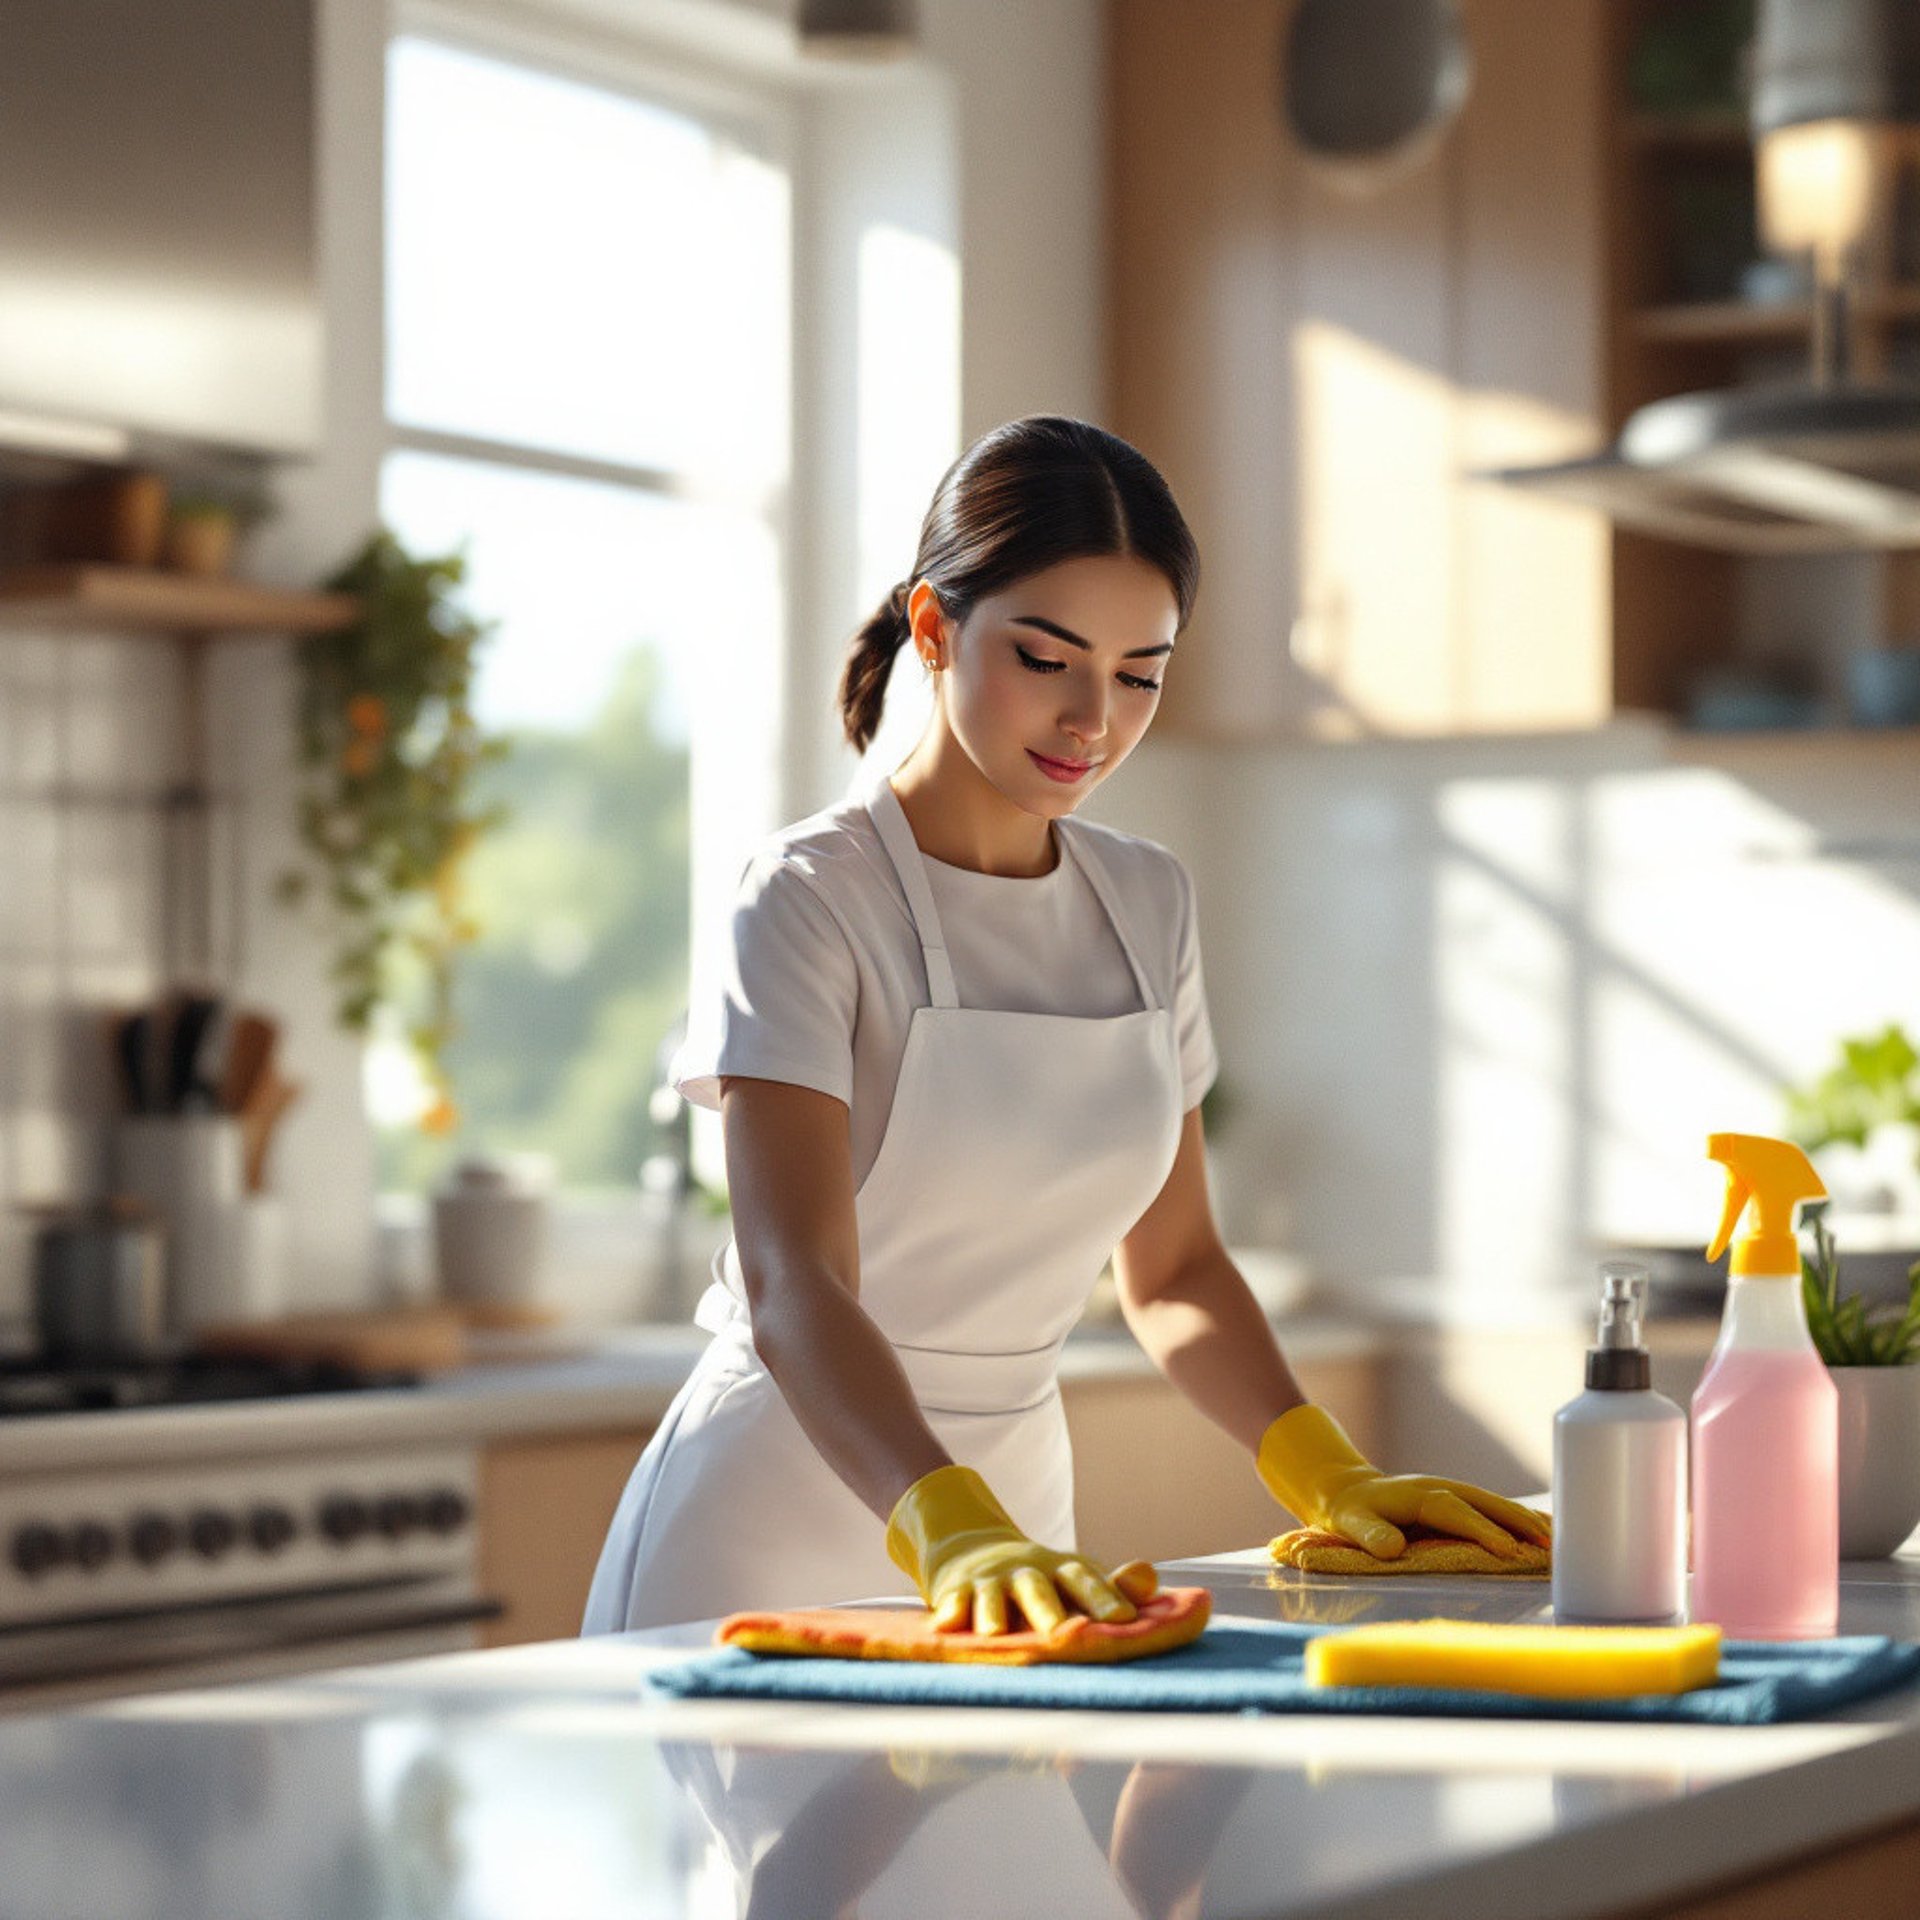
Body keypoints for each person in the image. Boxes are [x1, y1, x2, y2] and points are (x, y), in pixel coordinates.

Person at [582, 416, 1549, 1638]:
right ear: (933, 628)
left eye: (1140, 674)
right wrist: (946, 1520)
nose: (1095, 718)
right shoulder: (808, 897)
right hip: (780, 1506)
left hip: (1019, 1524)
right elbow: (795, 1286)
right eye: (1047, 658)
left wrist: (1326, 1471)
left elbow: (1179, 1271)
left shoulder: (1147, 900)